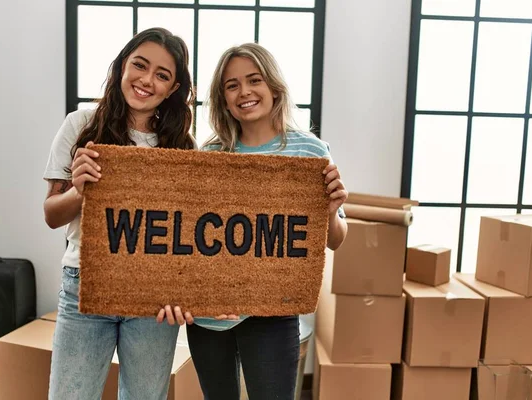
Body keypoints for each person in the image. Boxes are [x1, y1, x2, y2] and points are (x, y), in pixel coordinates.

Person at [184, 43, 349, 400]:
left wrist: (331, 209)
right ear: (223, 98)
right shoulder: (211, 155)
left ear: (274, 87)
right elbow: (193, 236)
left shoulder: (311, 151)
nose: (244, 92)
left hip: (274, 313)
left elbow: (334, 240)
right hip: (210, 315)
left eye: (254, 80)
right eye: (232, 85)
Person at [42, 27, 196, 400]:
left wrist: (184, 290)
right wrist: (81, 190)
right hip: (85, 281)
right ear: (121, 67)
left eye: (162, 75)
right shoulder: (81, 123)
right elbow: (51, 214)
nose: (146, 81)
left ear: (173, 89)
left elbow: (184, 231)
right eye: (139, 66)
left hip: (153, 291)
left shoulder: (179, 145)